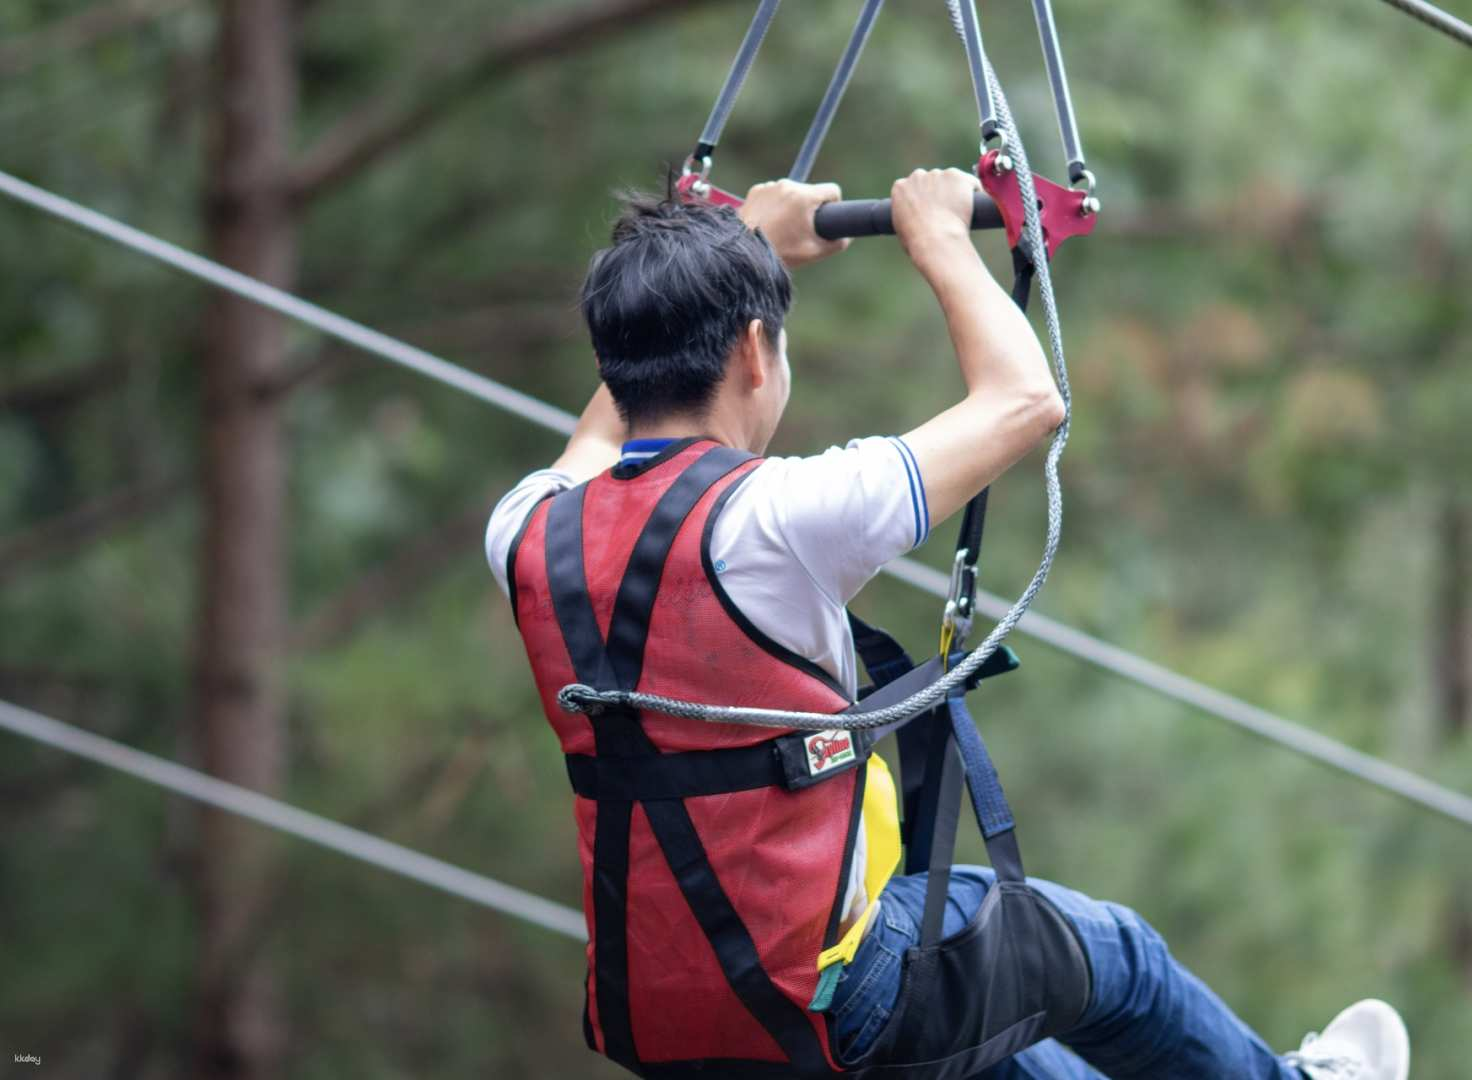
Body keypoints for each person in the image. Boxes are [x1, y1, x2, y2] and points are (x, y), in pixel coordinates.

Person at [485, 170, 1411, 1079]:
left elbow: (597, 445)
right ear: (756, 355)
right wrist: (935, 237)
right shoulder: (780, 516)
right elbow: (1025, 400)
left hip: (667, 1022)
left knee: (1019, 1067)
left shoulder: (529, 528)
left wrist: (749, 248)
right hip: (833, 997)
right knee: (1117, 959)